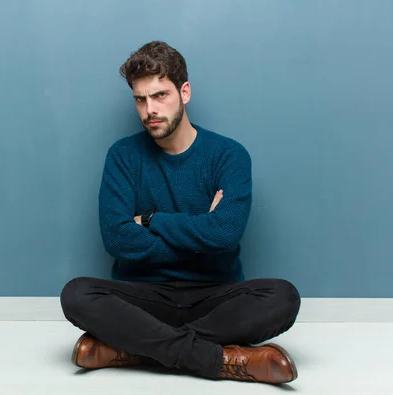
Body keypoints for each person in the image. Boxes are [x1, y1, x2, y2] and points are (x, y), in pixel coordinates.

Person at [60, 41, 301, 384]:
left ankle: (132, 348)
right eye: (140, 99)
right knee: (76, 294)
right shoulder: (123, 156)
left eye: (160, 96)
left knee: (283, 297)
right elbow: (117, 238)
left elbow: (225, 233)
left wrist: (150, 220)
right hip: (145, 297)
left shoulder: (228, 156)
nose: (150, 110)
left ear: (184, 92)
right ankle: (218, 359)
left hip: (214, 295)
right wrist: (202, 234)